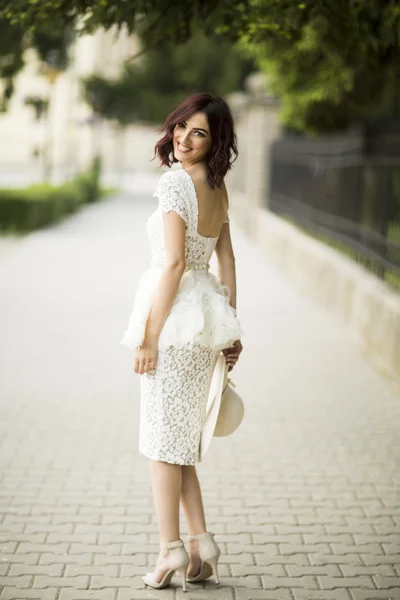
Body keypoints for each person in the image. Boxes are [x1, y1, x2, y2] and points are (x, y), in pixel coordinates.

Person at [120, 92, 243, 591]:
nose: (184, 139)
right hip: (205, 319)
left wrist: (149, 337)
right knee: (179, 443)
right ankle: (201, 541)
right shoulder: (217, 187)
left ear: (216, 143)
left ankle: (170, 551)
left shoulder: (175, 183)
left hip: (173, 324)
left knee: (160, 444)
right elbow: (226, 262)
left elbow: (173, 263)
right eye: (181, 128)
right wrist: (232, 326)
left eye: (199, 133)